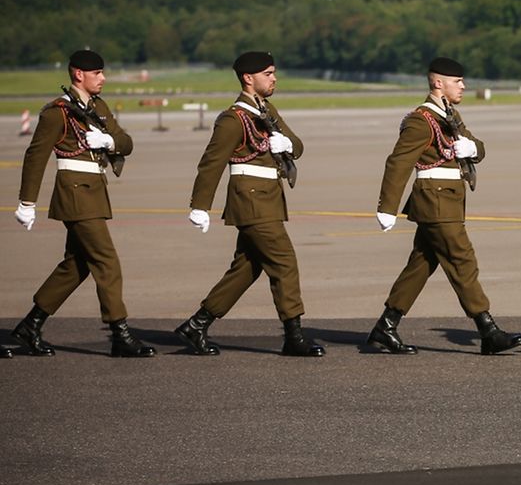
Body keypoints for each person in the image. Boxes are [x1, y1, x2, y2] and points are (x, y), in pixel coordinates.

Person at [367, 57, 521, 355]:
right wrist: (386, 206)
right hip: (435, 200)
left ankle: (385, 327)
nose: (464, 86)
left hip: (448, 199)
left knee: (420, 265)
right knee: (462, 260)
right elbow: (398, 162)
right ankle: (488, 330)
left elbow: (478, 145)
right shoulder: (421, 119)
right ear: (439, 83)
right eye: (458, 81)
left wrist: (473, 149)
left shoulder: (449, 116)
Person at [172, 51, 323, 357]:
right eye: (268, 73)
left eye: (273, 72)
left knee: (247, 268)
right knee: (284, 262)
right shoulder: (233, 119)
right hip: (251, 200)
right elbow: (211, 163)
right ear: (248, 78)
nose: (274, 78)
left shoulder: (266, 111)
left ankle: (197, 325)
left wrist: (287, 144)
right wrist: (200, 205)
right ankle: (293, 336)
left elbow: (300, 146)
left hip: (267, 197)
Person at [9, 48, 153, 358]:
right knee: (106, 260)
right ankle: (120, 333)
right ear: (78, 75)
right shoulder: (57, 112)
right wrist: (27, 201)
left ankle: (29, 327)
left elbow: (126, 142)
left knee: (76, 266)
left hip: (95, 191)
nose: (103, 78)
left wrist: (108, 141)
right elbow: (36, 156)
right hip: (74, 192)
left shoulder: (98, 107)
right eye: (97, 73)